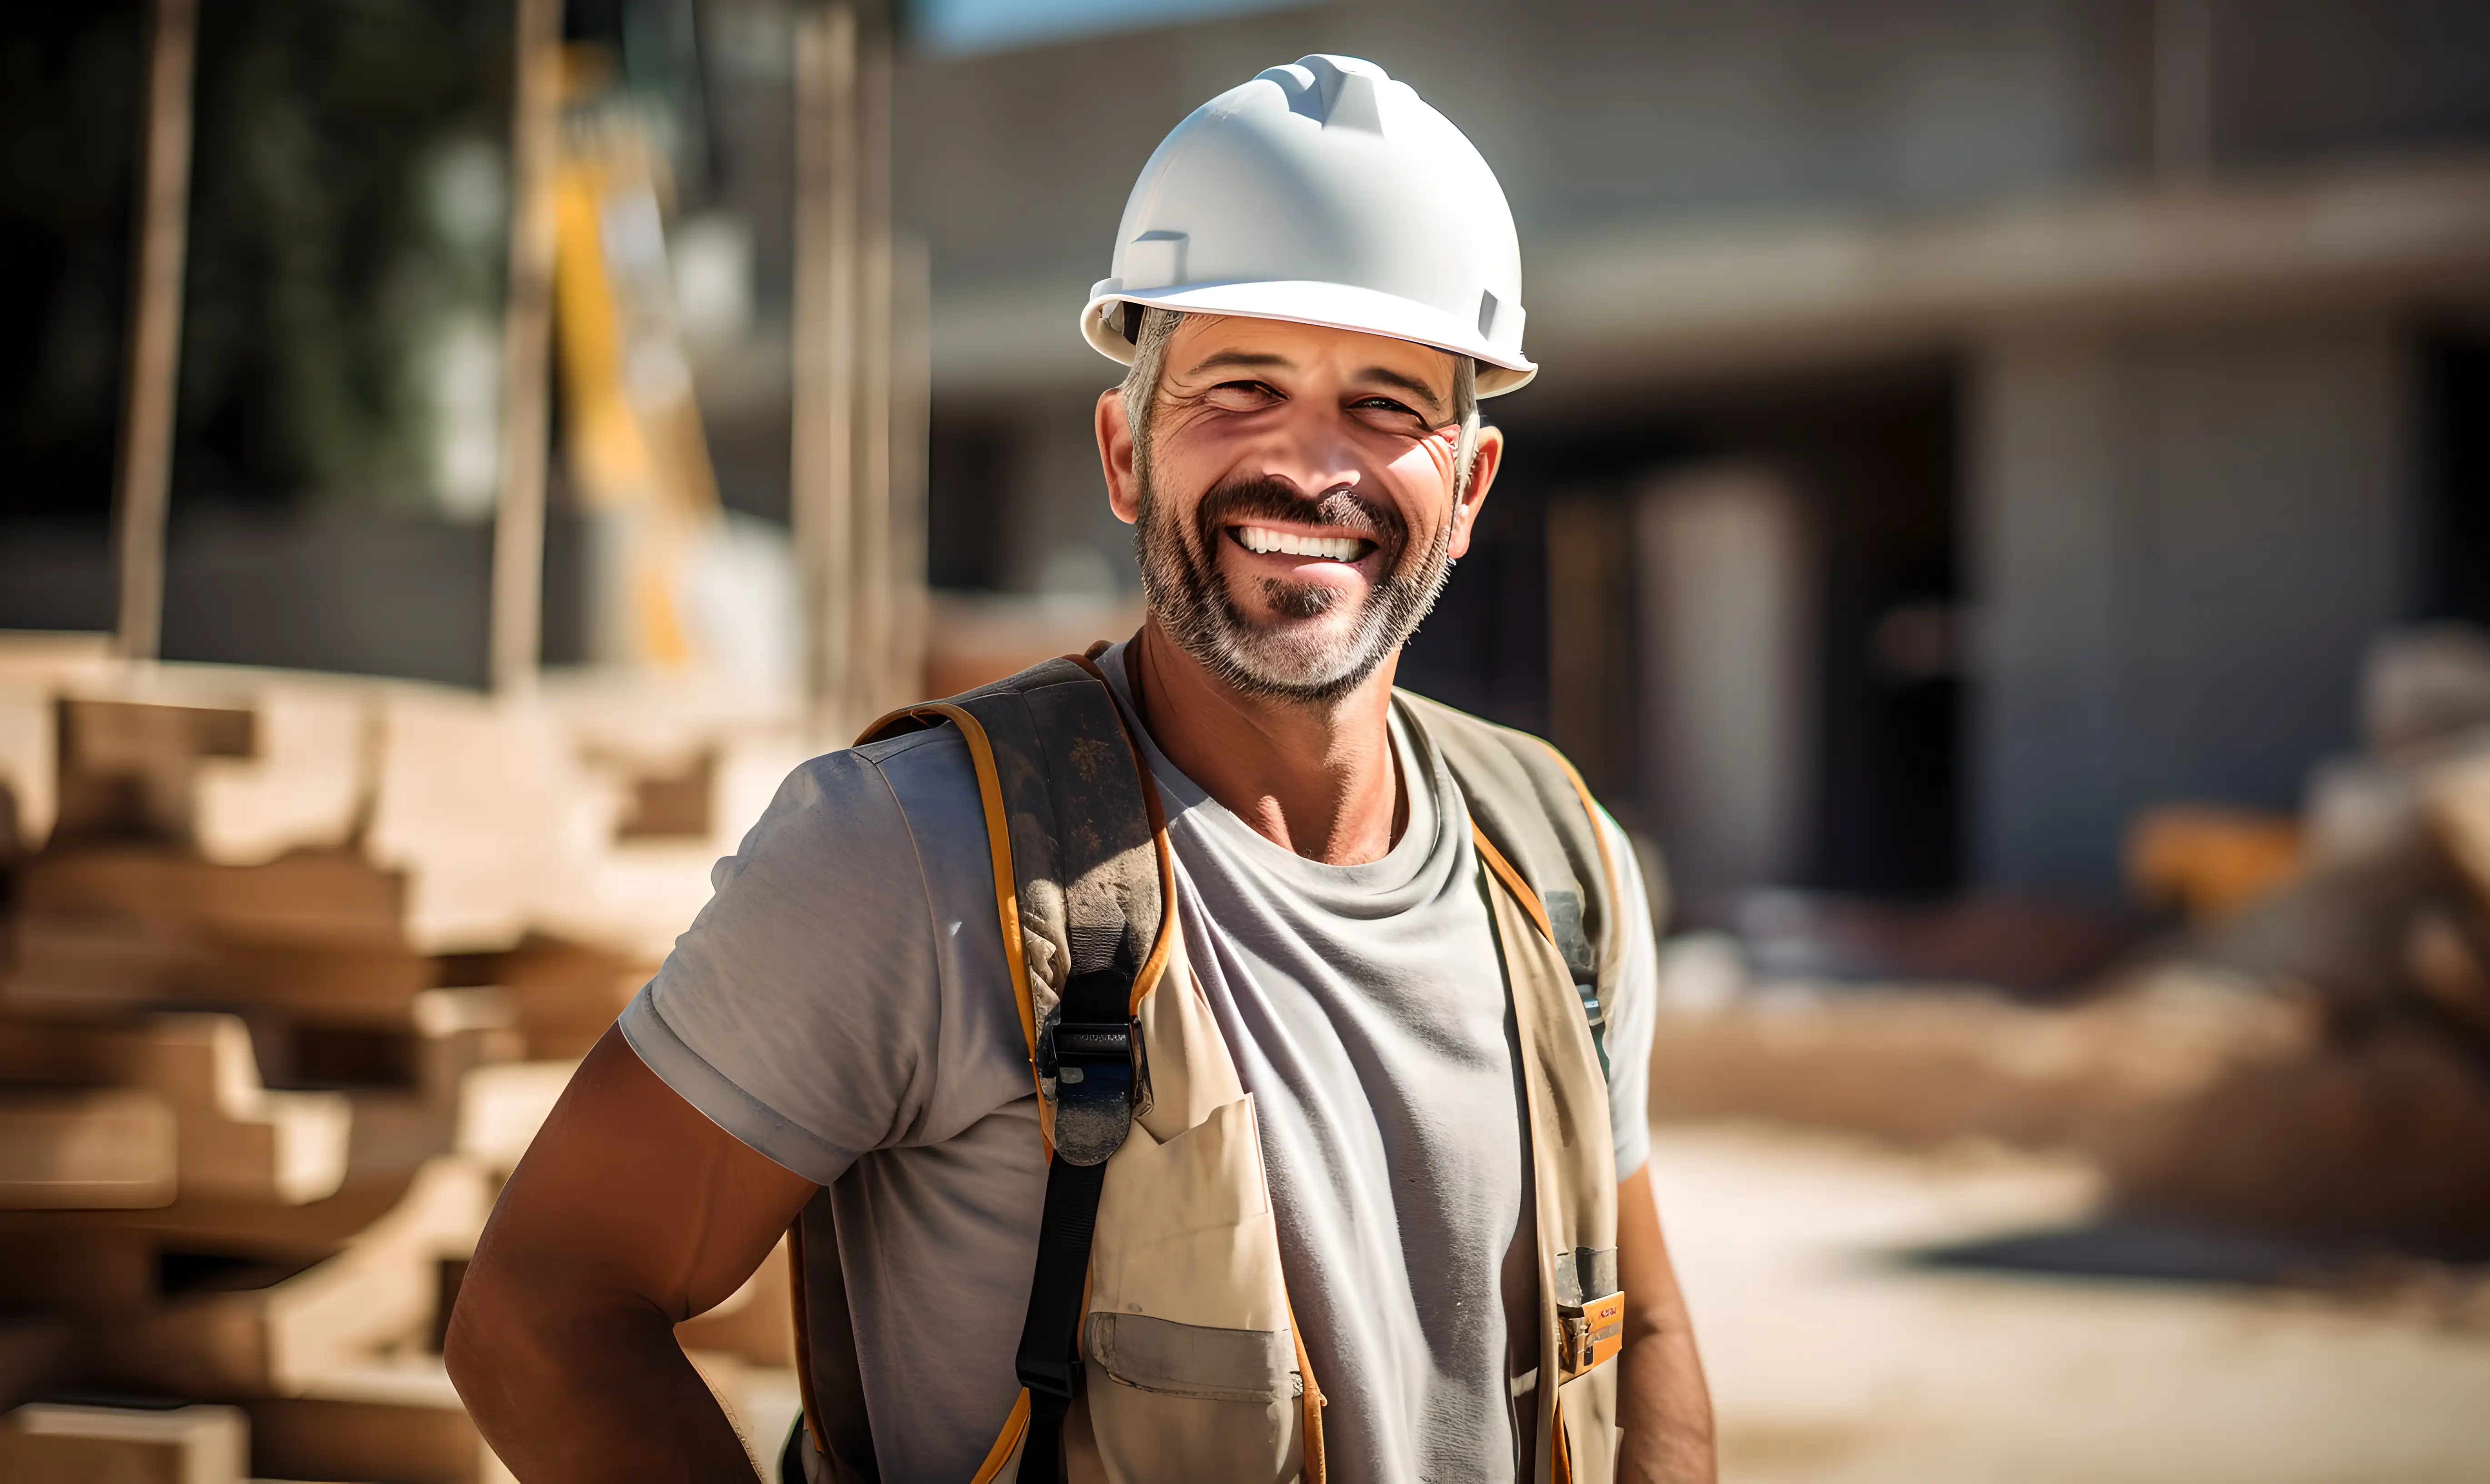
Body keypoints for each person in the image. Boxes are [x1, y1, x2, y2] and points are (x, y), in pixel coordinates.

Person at [446, 54, 1717, 1484]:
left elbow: (1647, 1330)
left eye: (1385, 401)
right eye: (1241, 385)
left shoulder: (1559, 866)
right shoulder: (905, 857)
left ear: (1468, 488)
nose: (1313, 468)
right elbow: (543, 1314)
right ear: (1124, 453)